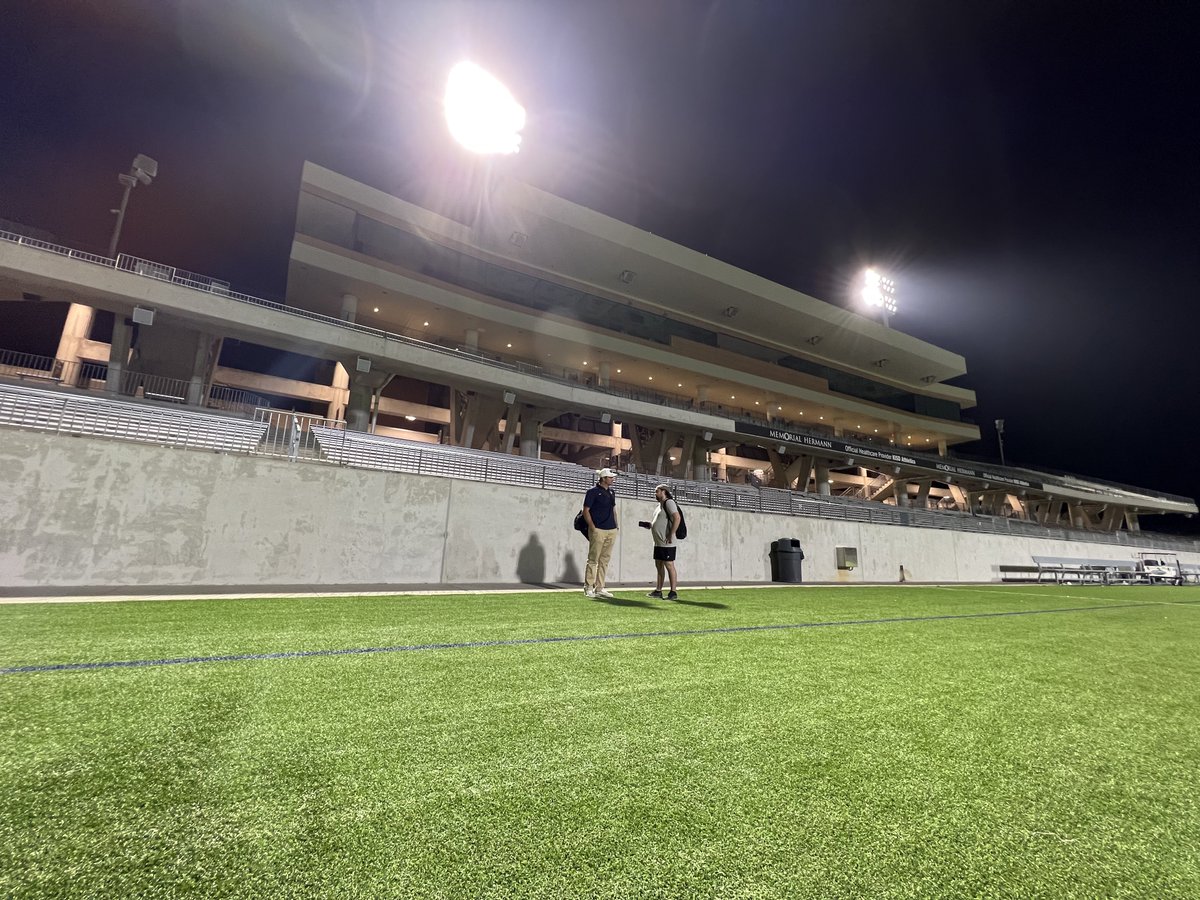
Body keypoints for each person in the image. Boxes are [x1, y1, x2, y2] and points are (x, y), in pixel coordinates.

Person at [582, 467, 619, 599]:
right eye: (610, 477)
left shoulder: (612, 492)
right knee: (593, 560)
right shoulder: (592, 492)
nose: (613, 479)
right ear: (603, 478)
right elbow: (586, 510)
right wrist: (592, 527)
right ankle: (589, 587)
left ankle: (600, 587)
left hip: (611, 530)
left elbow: (614, 510)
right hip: (598, 530)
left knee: (605, 560)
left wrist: (616, 526)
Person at [639, 483, 681, 600]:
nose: (655, 494)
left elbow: (677, 518)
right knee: (659, 565)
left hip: (667, 541)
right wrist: (650, 525)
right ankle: (658, 591)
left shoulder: (669, 503)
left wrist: (670, 534)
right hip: (658, 542)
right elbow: (659, 522)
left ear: (663, 492)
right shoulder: (659, 506)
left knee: (669, 564)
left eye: (657, 491)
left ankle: (673, 592)